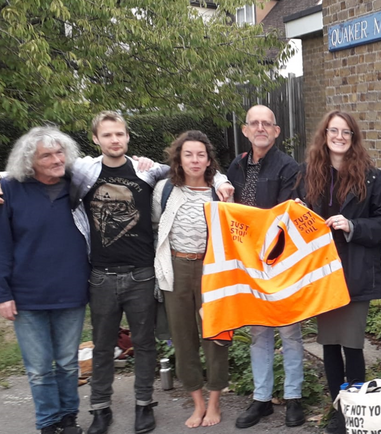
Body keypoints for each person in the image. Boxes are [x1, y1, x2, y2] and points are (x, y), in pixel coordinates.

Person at [70, 111, 232, 434]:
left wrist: (223, 180)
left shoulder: (209, 188)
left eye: (120, 134)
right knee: (170, 341)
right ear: (96, 139)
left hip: (194, 271)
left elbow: (231, 217)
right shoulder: (150, 186)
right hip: (143, 271)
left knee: (205, 337)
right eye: (108, 135)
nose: (115, 140)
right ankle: (107, 408)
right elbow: (157, 226)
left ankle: (190, 403)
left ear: (128, 137)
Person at [293, 111, 381, 434]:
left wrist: (352, 225)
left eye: (346, 132)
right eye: (333, 131)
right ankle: (338, 409)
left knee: (351, 343)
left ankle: (356, 409)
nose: (339, 136)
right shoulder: (307, 174)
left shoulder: (372, 178)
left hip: (354, 272)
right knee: (330, 343)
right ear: (324, 135)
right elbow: (293, 216)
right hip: (322, 273)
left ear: (353, 138)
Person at [0, 127, 89, 434]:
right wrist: (3, 293)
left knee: (67, 364)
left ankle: (68, 417)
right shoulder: (9, 189)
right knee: (38, 369)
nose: (56, 159)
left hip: (71, 290)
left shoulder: (77, 184)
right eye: (46, 155)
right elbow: (2, 245)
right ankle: (48, 422)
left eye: (60, 152)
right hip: (27, 295)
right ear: (30, 161)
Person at [228, 105, 306, 429]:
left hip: (279, 262)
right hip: (247, 264)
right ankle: (262, 400)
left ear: (276, 131)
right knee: (259, 333)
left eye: (267, 124)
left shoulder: (290, 167)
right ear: (245, 131)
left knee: (290, 332)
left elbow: (284, 217)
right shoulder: (235, 166)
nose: (260, 128)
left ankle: (293, 398)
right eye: (254, 123)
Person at [152, 131, 230, 428]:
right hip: (176, 268)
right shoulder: (164, 190)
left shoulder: (219, 191)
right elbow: (155, 227)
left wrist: (222, 181)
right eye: (188, 154)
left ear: (209, 159)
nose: (195, 160)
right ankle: (197, 404)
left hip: (211, 271)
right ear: (179, 158)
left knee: (215, 337)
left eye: (200, 154)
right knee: (184, 340)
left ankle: (214, 403)